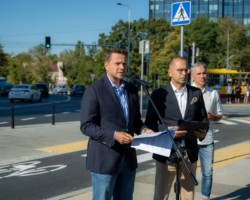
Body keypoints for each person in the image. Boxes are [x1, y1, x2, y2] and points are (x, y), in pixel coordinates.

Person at [80, 48, 151, 200]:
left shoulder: (131, 90)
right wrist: (113, 136)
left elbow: (136, 120)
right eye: (117, 63)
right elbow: (86, 125)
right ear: (106, 65)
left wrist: (144, 130)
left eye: (124, 64)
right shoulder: (94, 90)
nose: (122, 67)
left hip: (128, 160)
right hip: (104, 160)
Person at [145, 57, 209, 200]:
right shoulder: (159, 94)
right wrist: (169, 132)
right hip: (167, 152)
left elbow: (204, 119)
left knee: (187, 195)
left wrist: (203, 131)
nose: (183, 73)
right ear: (170, 72)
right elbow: (150, 124)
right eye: (179, 70)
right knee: (162, 195)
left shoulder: (196, 93)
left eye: (185, 70)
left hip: (189, 152)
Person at [191, 62, 223, 200]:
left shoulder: (213, 93)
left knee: (207, 173)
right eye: (199, 73)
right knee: (187, 174)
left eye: (204, 73)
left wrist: (212, 117)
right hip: (189, 139)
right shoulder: (187, 91)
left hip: (207, 140)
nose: (202, 76)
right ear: (192, 75)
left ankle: (205, 198)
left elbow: (219, 115)